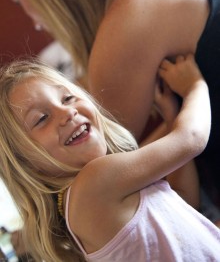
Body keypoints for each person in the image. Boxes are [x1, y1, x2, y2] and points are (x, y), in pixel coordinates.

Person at [0, 0, 220, 212]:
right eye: (41, 118)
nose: (35, 21)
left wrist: (190, 94)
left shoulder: (134, 15)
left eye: (69, 98)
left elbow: (176, 148)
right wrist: (191, 91)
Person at [0, 54, 219, 262]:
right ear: (25, 164)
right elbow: (191, 138)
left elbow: (183, 201)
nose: (67, 113)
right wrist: (194, 86)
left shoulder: (91, 196)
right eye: (42, 118)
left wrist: (172, 117)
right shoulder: (93, 184)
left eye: (67, 98)